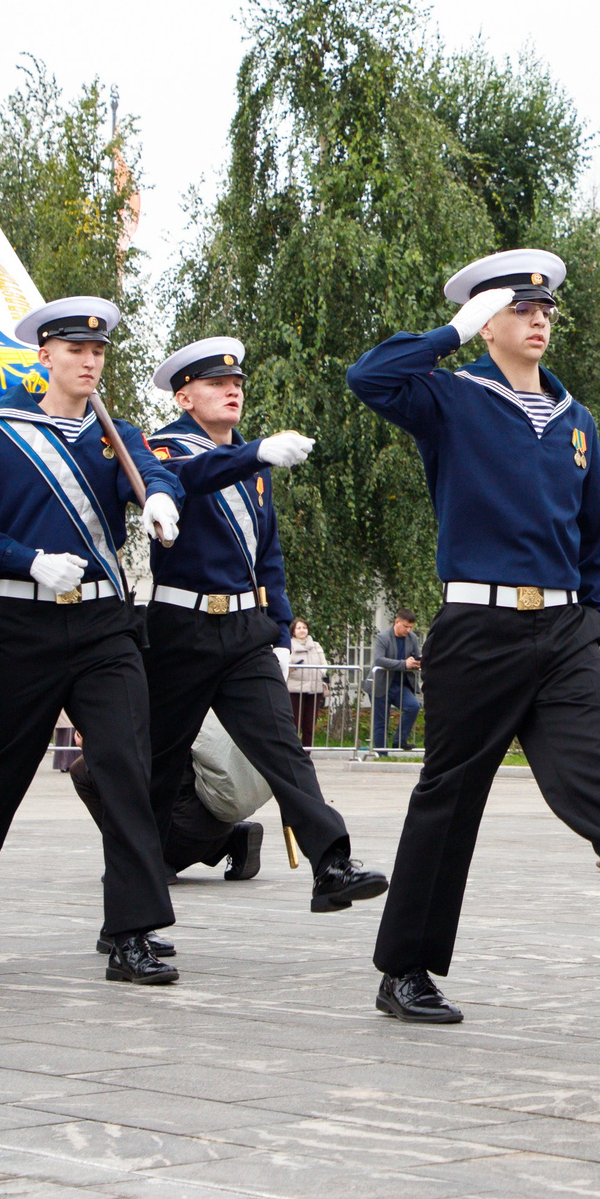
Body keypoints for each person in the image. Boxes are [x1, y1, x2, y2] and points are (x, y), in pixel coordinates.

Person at [347, 247, 600, 1024]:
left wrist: (589, 617)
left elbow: (598, 535)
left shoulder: (577, 421)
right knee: (450, 794)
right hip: (477, 625)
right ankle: (405, 969)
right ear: (487, 322)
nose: (538, 319)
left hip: (564, 629)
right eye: (519, 309)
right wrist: (449, 331)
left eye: (545, 310)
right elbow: (369, 378)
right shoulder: (450, 397)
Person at [0, 297, 187, 987]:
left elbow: (152, 469)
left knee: (126, 767)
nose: (89, 361)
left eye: (99, 352)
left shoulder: (114, 430)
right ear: (45, 355)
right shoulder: (0, 432)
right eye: (75, 350)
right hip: (27, 622)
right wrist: (27, 558)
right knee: (0, 777)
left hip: (106, 622)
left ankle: (131, 932)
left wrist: (161, 498)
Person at [141, 335, 386, 908]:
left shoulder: (254, 462)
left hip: (244, 632)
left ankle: (332, 864)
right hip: (181, 630)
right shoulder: (163, 451)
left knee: (283, 750)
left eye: (237, 385)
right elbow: (192, 479)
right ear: (184, 399)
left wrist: (279, 631)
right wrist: (255, 455)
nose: (232, 391)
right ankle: (133, 902)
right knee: (157, 767)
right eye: (216, 385)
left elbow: (267, 556)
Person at [372, 612, 422, 753]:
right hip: (381, 684)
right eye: (405, 626)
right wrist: (404, 664)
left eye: (411, 627)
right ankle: (382, 754)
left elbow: (415, 656)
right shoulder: (383, 637)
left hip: (401, 684)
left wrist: (418, 662)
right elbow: (379, 660)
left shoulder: (412, 638)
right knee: (381, 721)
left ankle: (399, 741)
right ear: (397, 622)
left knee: (413, 706)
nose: (408, 630)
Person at [285, 620, 329, 747]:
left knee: (309, 725)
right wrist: (290, 669)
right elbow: (284, 663)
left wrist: (320, 673)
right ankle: (293, 751)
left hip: (315, 690)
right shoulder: (289, 645)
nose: (302, 630)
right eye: (299, 628)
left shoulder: (315, 646)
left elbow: (323, 664)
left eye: (304, 627)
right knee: (295, 724)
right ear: (293, 631)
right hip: (295, 690)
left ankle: (307, 753)